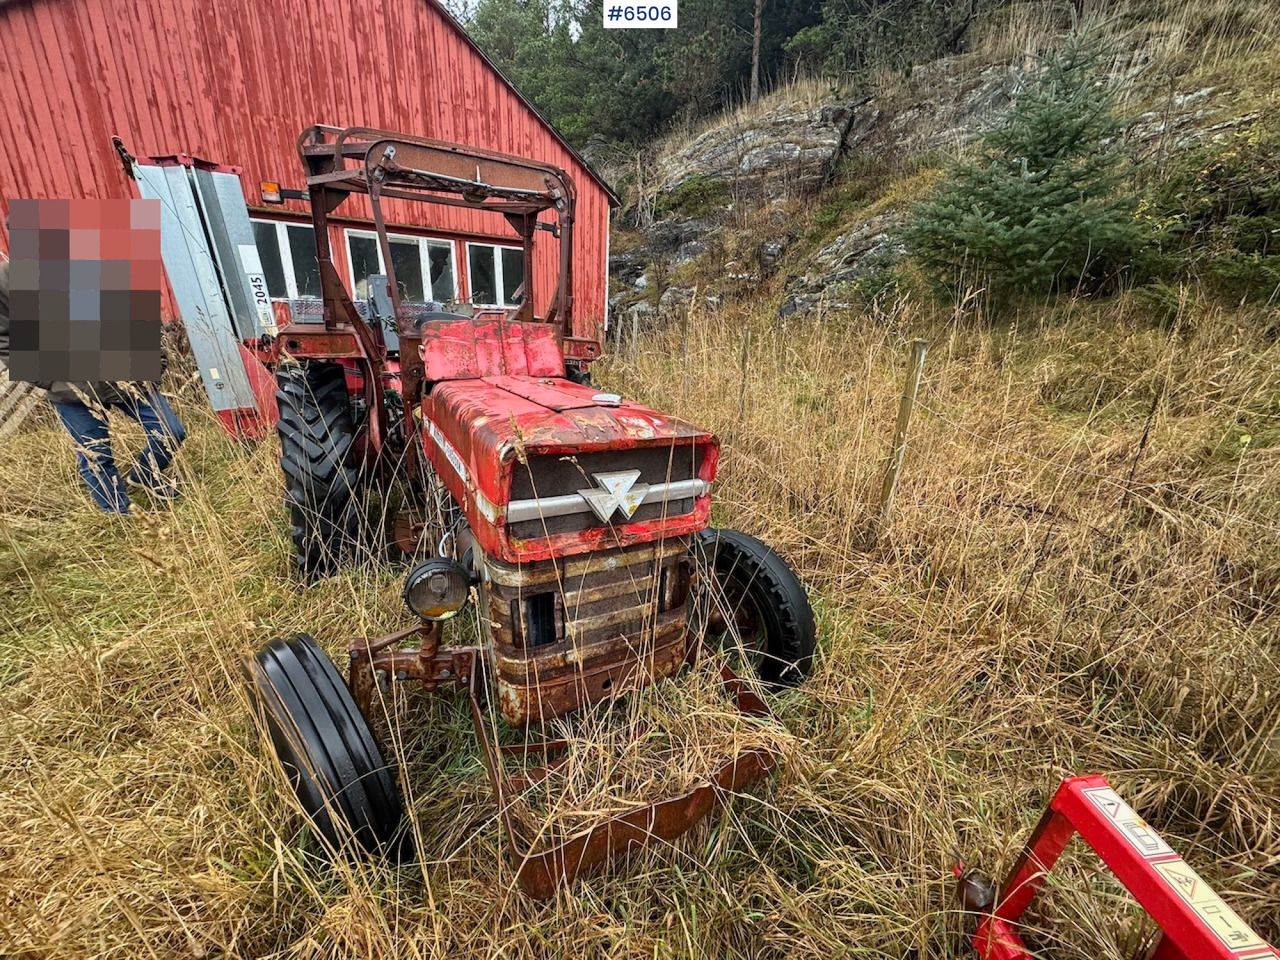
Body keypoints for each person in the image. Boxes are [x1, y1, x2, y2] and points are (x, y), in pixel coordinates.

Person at [0, 253, 186, 514]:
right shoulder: (7, 279)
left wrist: (155, 360)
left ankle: (144, 475)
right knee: (95, 455)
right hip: (71, 388)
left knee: (170, 431)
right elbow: (4, 340)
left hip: (128, 374)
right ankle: (117, 515)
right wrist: (50, 379)